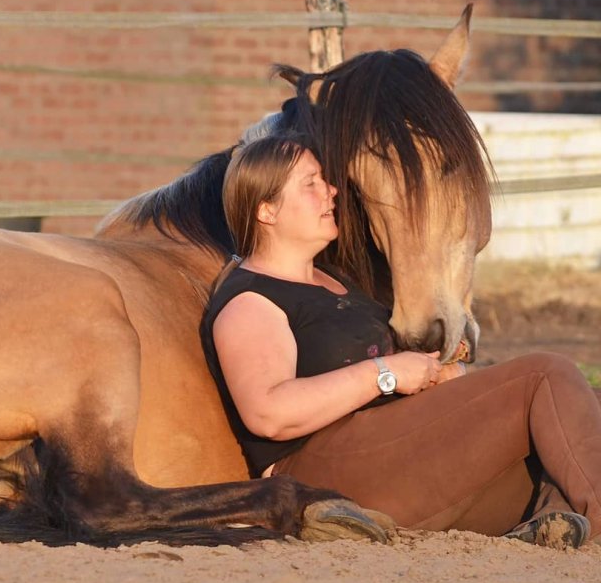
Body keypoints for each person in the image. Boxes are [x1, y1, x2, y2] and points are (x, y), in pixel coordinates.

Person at [202, 134, 601, 548]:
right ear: (267, 210)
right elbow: (269, 413)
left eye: (325, 180)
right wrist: (385, 374)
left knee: (580, 405)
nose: (331, 190)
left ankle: (557, 518)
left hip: (402, 459)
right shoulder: (252, 300)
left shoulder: (335, 281)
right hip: (331, 474)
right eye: (311, 183)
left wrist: (439, 374)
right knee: (545, 375)